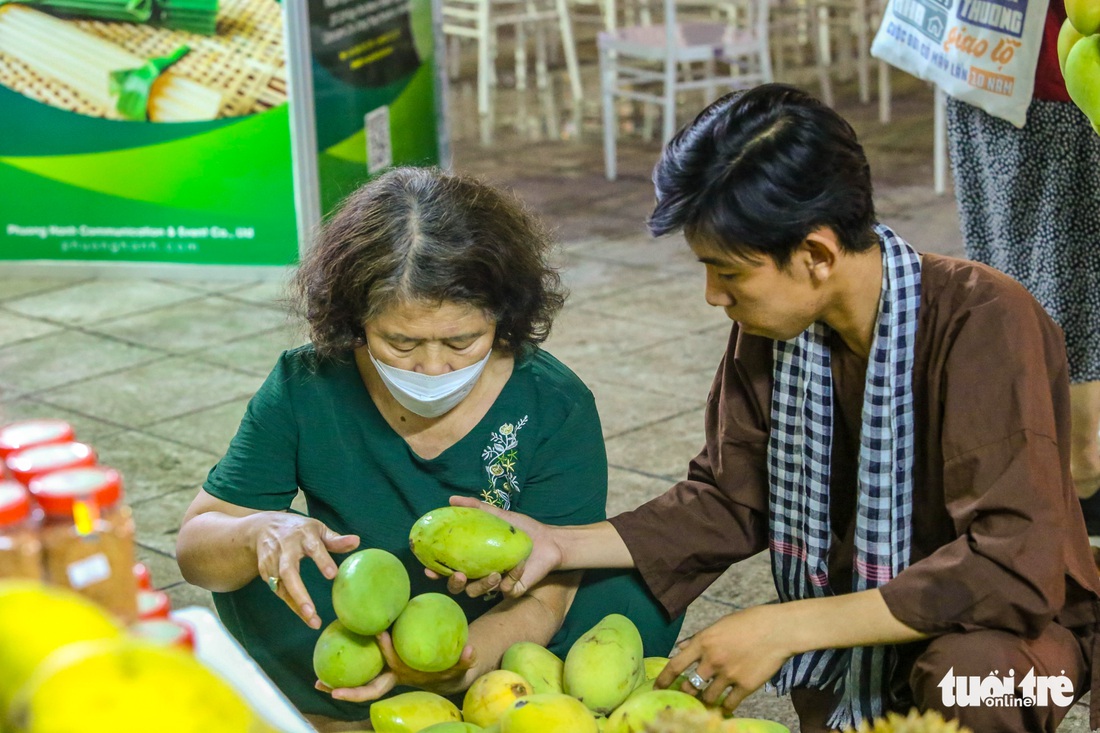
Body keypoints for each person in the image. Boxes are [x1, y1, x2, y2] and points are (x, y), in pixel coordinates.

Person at [448, 84, 1100, 733]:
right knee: (613, 584)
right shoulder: (774, 335)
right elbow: (727, 499)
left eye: (728, 273)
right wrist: (558, 544)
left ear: (816, 254)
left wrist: (785, 625)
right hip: (857, 633)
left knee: (969, 676)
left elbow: (1012, 565)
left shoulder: (986, 319)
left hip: (1015, 641)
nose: (712, 295)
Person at [174, 167, 682, 731]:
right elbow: (196, 550)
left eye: (463, 341)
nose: (433, 367)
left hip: (503, 622)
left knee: (632, 584)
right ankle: (343, 711)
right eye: (402, 342)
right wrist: (256, 532)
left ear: (505, 319)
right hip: (361, 617)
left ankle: (469, 703)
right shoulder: (307, 383)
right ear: (355, 322)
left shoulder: (553, 403)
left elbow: (550, 595)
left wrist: (451, 670)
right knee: (255, 563)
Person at [944, 0, 1100, 534]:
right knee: (1050, 279)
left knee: (1044, 278)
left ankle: (1067, 473)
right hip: (1023, 73)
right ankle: (1073, 473)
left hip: (1001, 65)